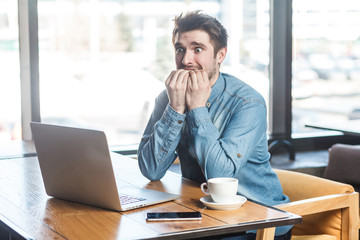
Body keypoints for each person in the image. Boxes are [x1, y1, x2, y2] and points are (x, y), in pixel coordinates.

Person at [137, 11, 292, 240]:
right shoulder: (170, 98)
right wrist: (175, 110)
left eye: (197, 49)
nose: (186, 60)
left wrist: (198, 109)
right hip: (205, 215)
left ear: (220, 55)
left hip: (258, 222)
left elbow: (220, 177)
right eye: (180, 49)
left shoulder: (248, 103)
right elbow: (150, 169)